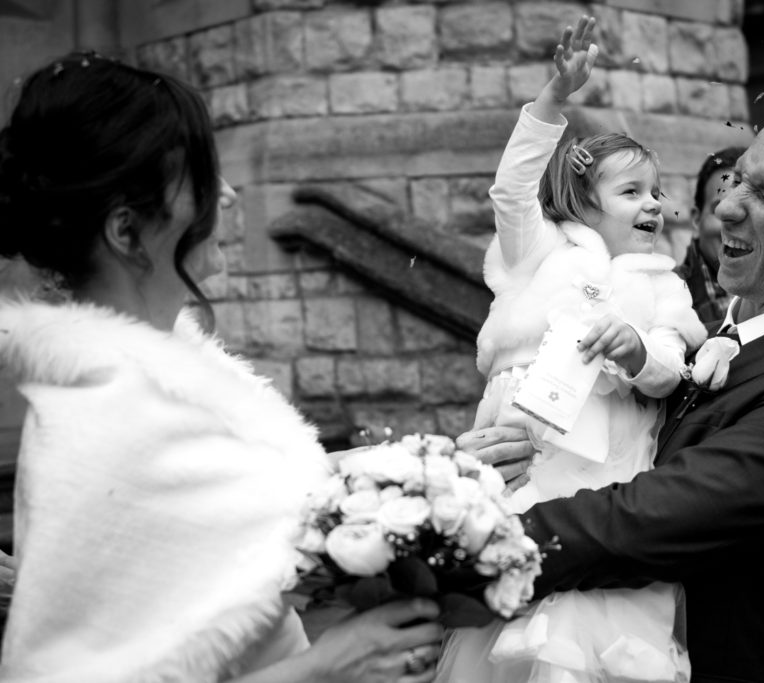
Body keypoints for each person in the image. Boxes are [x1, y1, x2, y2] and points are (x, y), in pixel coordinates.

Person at [0, 52, 441, 682]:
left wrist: (430, 468)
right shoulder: (98, 421)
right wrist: (328, 667)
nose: (229, 197)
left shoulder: (176, 374)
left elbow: (254, 508)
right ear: (127, 231)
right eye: (203, 178)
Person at [458, 104, 764, 682]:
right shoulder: (690, 341)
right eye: (739, 177)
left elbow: (642, 520)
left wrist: (451, 538)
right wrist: (497, 461)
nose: (725, 207)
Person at [437, 16, 705, 683]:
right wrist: (554, 98)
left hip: (609, 469)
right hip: (529, 459)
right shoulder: (541, 251)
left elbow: (674, 363)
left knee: (594, 612)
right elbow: (511, 188)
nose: (654, 205)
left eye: (657, 192)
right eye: (632, 191)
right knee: (520, 609)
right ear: (585, 201)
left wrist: (641, 353)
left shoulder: (662, 282)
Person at [676, 147, 745, 323]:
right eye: (720, 209)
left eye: (747, 210)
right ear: (696, 221)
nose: (735, 220)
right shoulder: (666, 293)